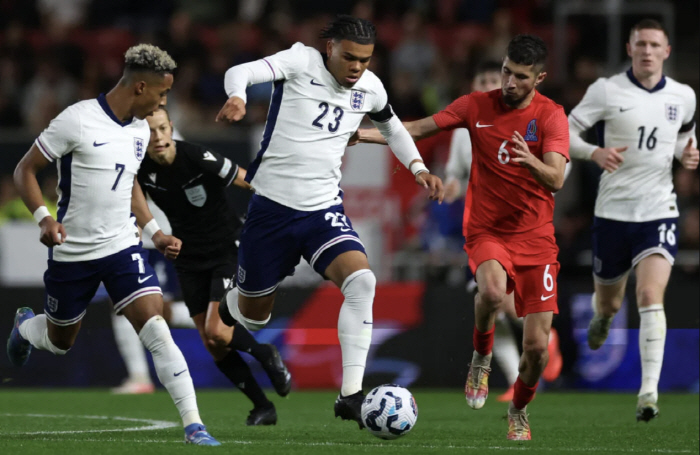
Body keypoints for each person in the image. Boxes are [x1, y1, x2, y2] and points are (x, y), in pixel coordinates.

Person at [215, 15, 444, 428]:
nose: (358, 68)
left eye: (366, 60)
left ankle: (350, 395)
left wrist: (418, 168)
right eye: (350, 58)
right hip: (271, 210)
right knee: (253, 316)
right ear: (330, 49)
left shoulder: (371, 88)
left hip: (322, 211)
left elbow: (392, 127)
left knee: (362, 281)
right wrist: (238, 96)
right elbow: (240, 71)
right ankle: (233, 301)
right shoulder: (300, 62)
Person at [355, 34, 569, 440]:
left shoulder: (552, 117)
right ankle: (481, 356)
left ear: (539, 78)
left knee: (537, 348)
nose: (508, 83)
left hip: (537, 239)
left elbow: (556, 178)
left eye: (520, 77)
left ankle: (519, 410)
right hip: (488, 230)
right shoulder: (475, 105)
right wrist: (363, 135)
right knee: (490, 293)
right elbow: (416, 128)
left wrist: (531, 162)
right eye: (506, 72)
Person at [6, 44, 220, 445]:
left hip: (122, 247)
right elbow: (24, 170)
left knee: (156, 328)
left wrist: (154, 231)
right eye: (161, 94)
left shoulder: (139, 129)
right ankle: (25, 327)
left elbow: (130, 184)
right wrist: (45, 218)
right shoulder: (78, 120)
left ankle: (194, 426)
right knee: (60, 341)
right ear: (140, 87)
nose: (163, 103)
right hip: (72, 252)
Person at [568, 19, 699, 422]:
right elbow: (565, 132)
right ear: (629, 48)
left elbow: (684, 136)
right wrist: (593, 153)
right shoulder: (607, 90)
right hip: (612, 214)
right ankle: (603, 318)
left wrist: (688, 155)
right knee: (608, 302)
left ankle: (648, 393)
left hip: (659, 210)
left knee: (648, 297)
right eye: (640, 43)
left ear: (666, 51)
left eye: (654, 44)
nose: (646, 50)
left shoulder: (684, 95)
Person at [138, 106, 292, 425]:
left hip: (225, 250)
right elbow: (131, 198)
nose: (158, 137)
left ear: (171, 128)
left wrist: (281, 216)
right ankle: (263, 407)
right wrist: (156, 233)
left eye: (163, 129)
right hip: (187, 259)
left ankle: (265, 354)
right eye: (151, 131)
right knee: (212, 343)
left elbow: (246, 180)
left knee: (217, 331)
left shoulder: (195, 156)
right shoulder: (140, 170)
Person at [447, 61, 565, 402]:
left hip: (523, 229)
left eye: (491, 79)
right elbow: (456, 172)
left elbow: (555, 173)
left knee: (503, 304)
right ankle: (512, 375)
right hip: (481, 228)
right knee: (492, 300)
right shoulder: (464, 126)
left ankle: (542, 345)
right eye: (480, 79)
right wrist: (447, 187)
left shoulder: (528, 119)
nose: (488, 85)